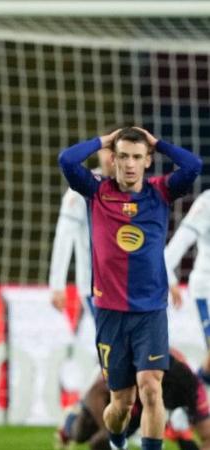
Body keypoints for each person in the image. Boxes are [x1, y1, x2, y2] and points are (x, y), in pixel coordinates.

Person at [59, 126, 202, 450]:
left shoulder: (160, 192)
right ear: (113, 158)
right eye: (122, 156)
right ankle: (116, 443)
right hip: (110, 314)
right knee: (121, 404)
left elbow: (192, 166)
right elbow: (66, 161)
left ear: (148, 160)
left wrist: (158, 142)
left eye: (137, 157)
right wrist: (102, 141)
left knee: (151, 388)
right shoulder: (96, 191)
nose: (129, 164)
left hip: (150, 312)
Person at [49, 146, 114, 398]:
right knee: (115, 351)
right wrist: (57, 285)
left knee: (119, 354)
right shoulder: (83, 188)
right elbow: (63, 237)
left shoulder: (133, 190)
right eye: (107, 149)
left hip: (130, 287)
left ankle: (82, 414)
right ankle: (87, 413)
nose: (111, 156)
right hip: (95, 285)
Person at [55, 353, 210, 450]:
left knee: (101, 444)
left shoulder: (195, 394)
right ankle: (70, 419)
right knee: (80, 433)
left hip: (140, 406)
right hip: (109, 394)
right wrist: (106, 431)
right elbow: (95, 394)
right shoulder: (140, 367)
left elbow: (207, 438)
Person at [164, 189, 210, 384]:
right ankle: (187, 409)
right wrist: (170, 281)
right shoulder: (207, 202)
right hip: (206, 290)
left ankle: (188, 409)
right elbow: (171, 253)